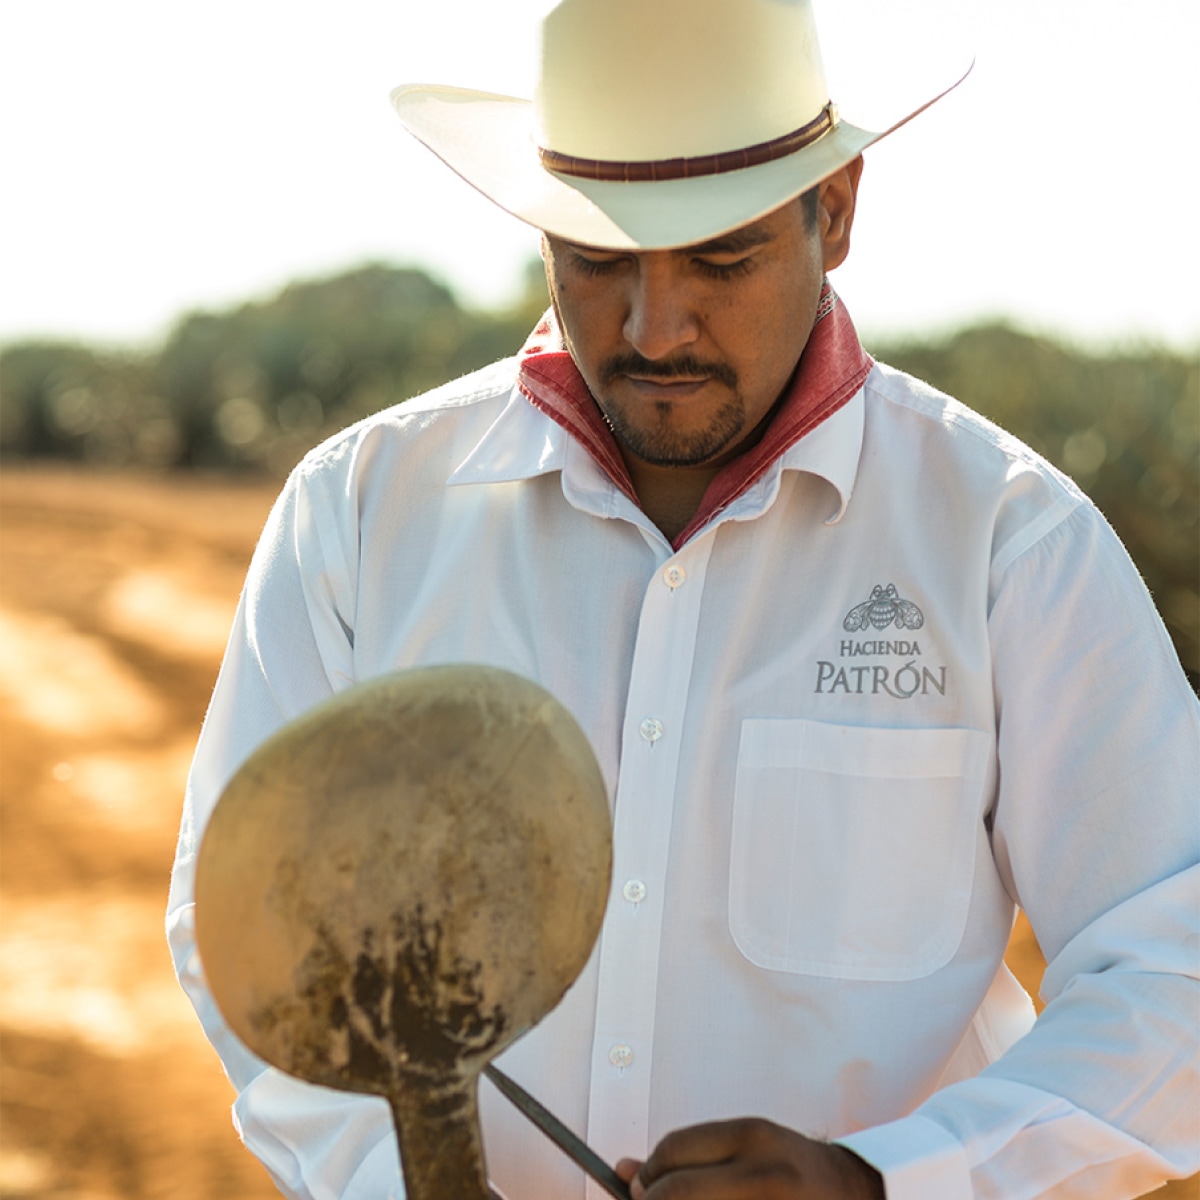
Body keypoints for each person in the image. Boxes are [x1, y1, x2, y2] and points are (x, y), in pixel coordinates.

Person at [166, 1, 1200, 1197]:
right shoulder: (358, 514)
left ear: (840, 210)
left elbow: (1172, 964)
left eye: (723, 257)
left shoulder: (1011, 543)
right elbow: (246, 926)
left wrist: (881, 1182)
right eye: (600, 259)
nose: (658, 328)